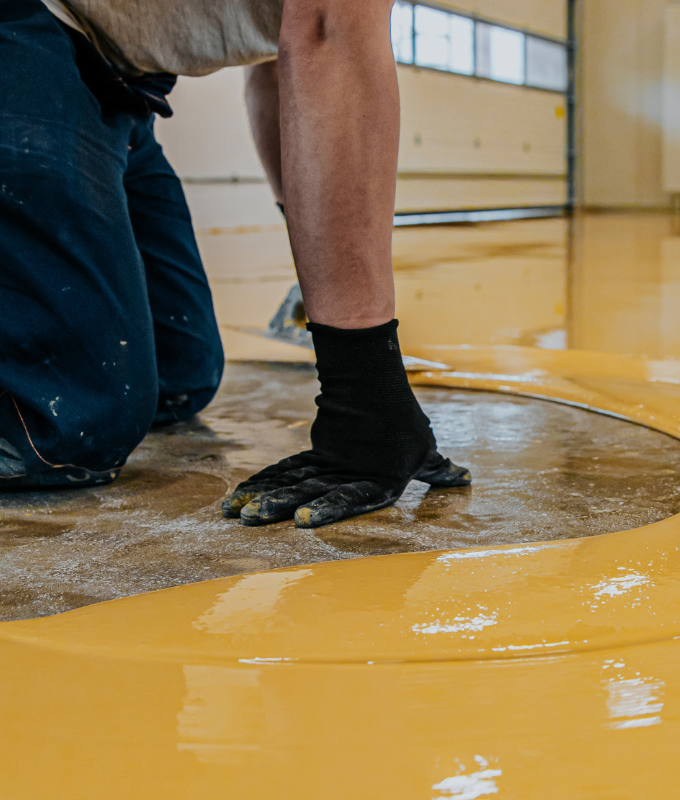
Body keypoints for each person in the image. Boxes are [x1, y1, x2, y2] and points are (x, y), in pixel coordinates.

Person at [0, 0, 471, 527]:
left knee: (184, 375)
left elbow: (282, 63)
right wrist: (367, 391)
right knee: (65, 429)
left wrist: (315, 267)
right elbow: (326, 33)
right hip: (22, 29)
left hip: (117, 84)